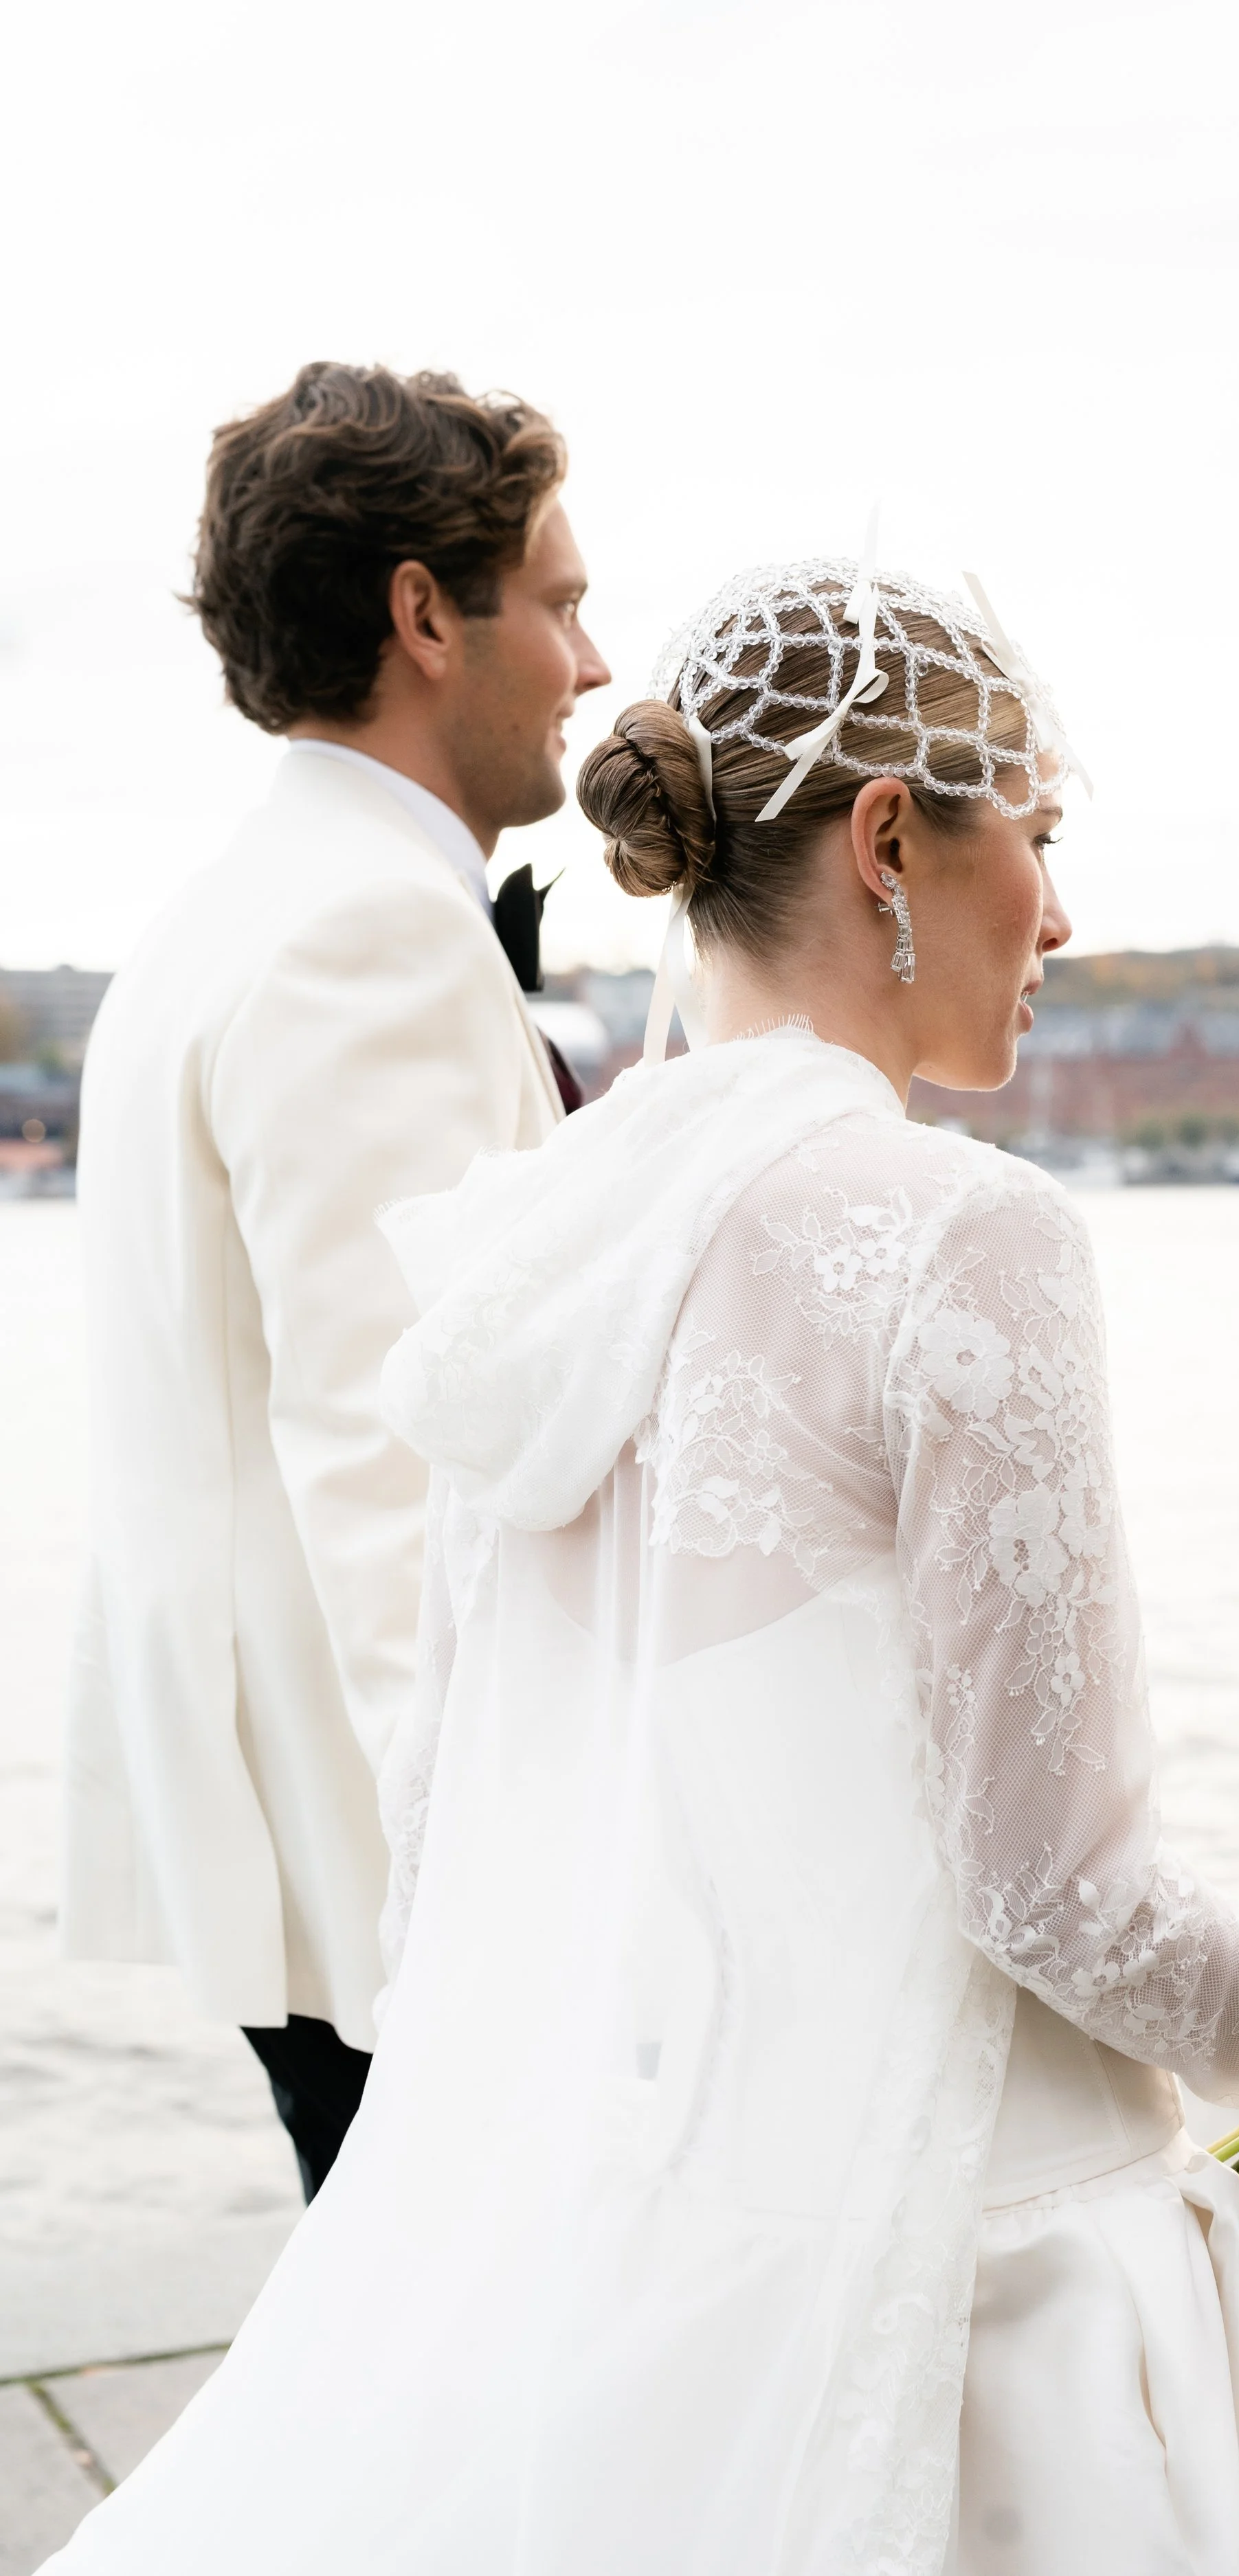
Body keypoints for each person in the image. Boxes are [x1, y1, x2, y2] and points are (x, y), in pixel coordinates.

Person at [42, 556, 1239, 2575]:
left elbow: (441, 1828)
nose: (1066, 915)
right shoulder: (958, 1234)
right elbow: (1055, 1896)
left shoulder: (532, 1238)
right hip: (977, 2289)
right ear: (892, 836)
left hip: (646, 2254)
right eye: (1042, 830)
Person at [63, 362, 610, 2198]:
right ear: (421, 616)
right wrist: (489, 1885)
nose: (591, 662)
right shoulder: (368, 928)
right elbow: (393, 1452)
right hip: (374, 1849)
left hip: (271, 1814)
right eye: (556, 599)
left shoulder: (225, 908)